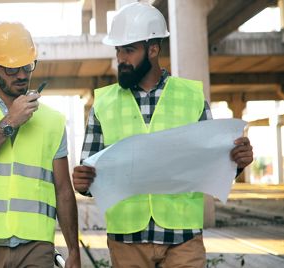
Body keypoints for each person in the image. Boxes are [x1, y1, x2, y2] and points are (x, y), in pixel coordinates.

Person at [72, 2, 254, 267]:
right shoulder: (103, 103)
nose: (121, 58)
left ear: (153, 49)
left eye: (129, 50)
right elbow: (89, 175)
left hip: (183, 239)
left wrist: (236, 161)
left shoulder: (191, 96)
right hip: (127, 240)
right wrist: (82, 181)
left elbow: (211, 164)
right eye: (118, 50)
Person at [0, 22, 80, 268]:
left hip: (37, 247)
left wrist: (73, 250)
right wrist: (10, 120)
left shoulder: (53, 121)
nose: (22, 75)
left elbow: (63, 190)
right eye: (11, 69)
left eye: (27, 66)